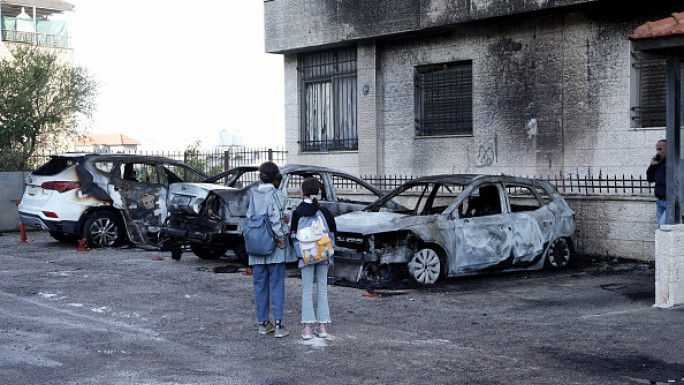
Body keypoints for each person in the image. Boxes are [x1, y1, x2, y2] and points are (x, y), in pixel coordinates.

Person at [248, 161, 295, 338]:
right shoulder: (277, 194)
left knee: (259, 285)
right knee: (276, 285)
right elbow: (274, 217)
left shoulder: (253, 194)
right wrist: (280, 237)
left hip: (256, 245)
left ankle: (262, 324)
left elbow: (251, 217)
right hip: (273, 246)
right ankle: (278, 325)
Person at [289, 178, 337, 340]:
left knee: (307, 290)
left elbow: (293, 236)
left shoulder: (297, 212)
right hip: (323, 256)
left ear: (302, 192)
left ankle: (307, 328)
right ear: (318, 191)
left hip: (306, 257)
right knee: (322, 289)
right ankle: (322, 327)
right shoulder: (325, 212)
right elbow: (333, 234)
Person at [646, 139, 667, 226]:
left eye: (660, 149)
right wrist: (652, 165)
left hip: (671, 202)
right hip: (660, 201)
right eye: (657, 150)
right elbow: (650, 179)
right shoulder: (658, 163)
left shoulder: (673, 162)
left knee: (662, 226)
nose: (658, 152)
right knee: (662, 228)